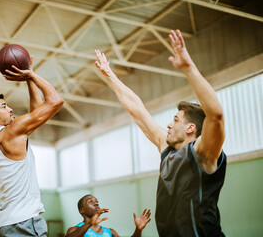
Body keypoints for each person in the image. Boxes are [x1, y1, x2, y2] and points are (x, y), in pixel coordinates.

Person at [94, 30, 226, 236]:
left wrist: (188, 68)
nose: (168, 125)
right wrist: (110, 75)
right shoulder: (166, 148)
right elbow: (137, 109)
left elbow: (216, 115)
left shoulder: (204, 152)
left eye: (175, 120)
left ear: (191, 128)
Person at [0, 57, 64, 237]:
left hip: (10, 223)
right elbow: (56, 101)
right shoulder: (10, 132)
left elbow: (35, 113)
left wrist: (29, 80)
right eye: (4, 106)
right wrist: (32, 74)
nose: (10, 109)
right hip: (24, 222)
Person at [65, 194, 151, 237]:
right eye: (90, 201)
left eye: (96, 201)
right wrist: (89, 223)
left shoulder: (110, 232)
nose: (96, 203)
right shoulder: (74, 230)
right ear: (82, 210)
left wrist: (138, 230)